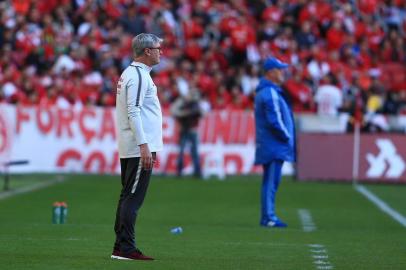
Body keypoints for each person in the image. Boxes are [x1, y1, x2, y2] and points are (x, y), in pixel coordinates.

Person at [112, 33, 163, 260]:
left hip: (134, 145)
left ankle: (120, 246)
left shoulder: (131, 74)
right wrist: (144, 145)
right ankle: (126, 248)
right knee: (133, 198)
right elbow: (134, 111)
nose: (161, 51)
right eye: (158, 47)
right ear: (147, 51)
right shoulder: (139, 76)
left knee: (127, 196)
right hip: (137, 146)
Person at [254, 57, 296, 228]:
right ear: (271, 72)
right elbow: (275, 119)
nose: (283, 72)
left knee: (270, 182)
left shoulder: (267, 91)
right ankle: (269, 217)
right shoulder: (270, 92)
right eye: (280, 69)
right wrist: (287, 137)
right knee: (271, 182)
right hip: (274, 144)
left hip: (270, 144)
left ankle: (268, 216)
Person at [171, 88, 203, 178]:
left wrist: (196, 111)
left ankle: (197, 171)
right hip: (184, 129)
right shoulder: (182, 102)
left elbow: (203, 114)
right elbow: (174, 111)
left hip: (192, 130)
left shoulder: (196, 105)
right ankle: (179, 171)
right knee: (182, 151)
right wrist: (186, 113)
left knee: (194, 152)